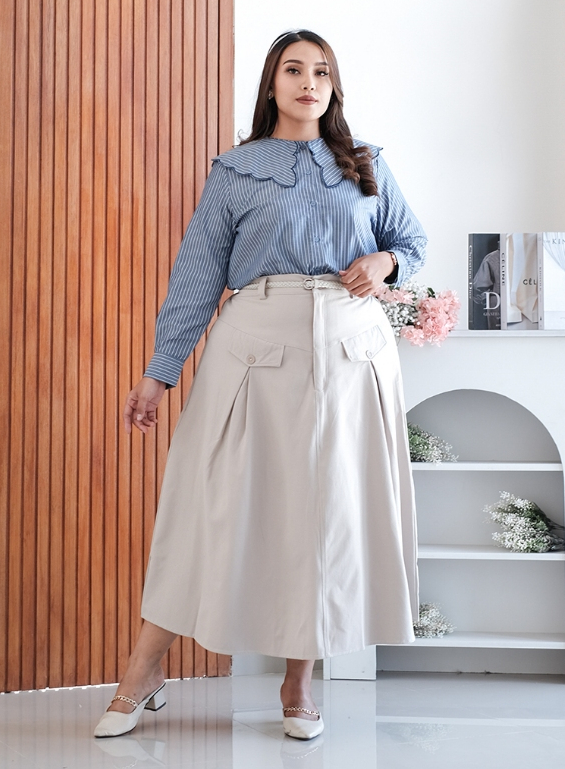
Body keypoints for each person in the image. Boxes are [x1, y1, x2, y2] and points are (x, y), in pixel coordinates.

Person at [94, 28, 427, 742]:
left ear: (334, 87)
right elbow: (197, 275)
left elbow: (411, 242)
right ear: (272, 85)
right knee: (204, 506)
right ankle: (144, 670)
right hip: (252, 347)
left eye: (321, 72)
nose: (309, 83)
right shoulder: (235, 170)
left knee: (323, 515)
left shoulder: (366, 162)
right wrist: (158, 374)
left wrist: (384, 262)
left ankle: (298, 682)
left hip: (349, 352)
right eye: (293, 70)